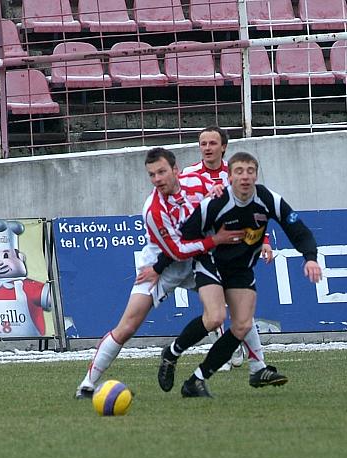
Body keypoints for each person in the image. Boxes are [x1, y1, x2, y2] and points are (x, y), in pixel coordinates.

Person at [74, 147, 244, 398]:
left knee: (234, 304)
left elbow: (220, 200)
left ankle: (255, 366)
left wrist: (218, 195)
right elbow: (177, 251)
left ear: (176, 170)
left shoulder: (196, 181)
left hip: (197, 261)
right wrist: (216, 239)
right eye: (152, 175)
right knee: (127, 326)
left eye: (162, 172)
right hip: (158, 269)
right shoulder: (153, 210)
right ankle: (87, 385)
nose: (157, 179)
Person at [155, 151, 322, 398]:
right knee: (215, 317)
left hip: (241, 269)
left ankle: (196, 381)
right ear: (230, 176)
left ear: (256, 174)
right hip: (211, 263)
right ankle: (172, 353)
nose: (245, 177)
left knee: (242, 326)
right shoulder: (217, 202)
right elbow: (185, 235)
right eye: (239, 171)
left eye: (250, 171)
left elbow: (298, 229)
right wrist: (158, 267)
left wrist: (310, 258)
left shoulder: (267, 199)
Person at [155, 126, 280, 386]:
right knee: (220, 314)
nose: (207, 148)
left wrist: (264, 240)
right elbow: (182, 213)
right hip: (201, 254)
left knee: (238, 313)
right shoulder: (188, 175)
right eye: (203, 143)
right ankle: (243, 361)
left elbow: (253, 210)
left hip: (232, 253)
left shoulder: (234, 174)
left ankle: (257, 365)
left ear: (223, 147)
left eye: (213, 143)